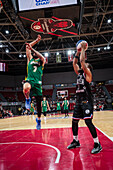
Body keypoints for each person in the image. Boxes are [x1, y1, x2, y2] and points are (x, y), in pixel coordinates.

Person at [67, 42, 102, 154]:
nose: (84, 65)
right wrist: (77, 52)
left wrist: (83, 49)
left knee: (88, 122)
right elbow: (74, 63)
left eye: (85, 65)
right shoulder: (79, 73)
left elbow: (82, 62)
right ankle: (76, 141)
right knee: (74, 121)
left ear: (88, 68)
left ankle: (97, 143)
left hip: (86, 101)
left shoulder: (88, 74)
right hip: (78, 101)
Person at [23, 35, 45, 130]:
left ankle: (39, 120)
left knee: (39, 105)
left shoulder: (41, 62)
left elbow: (43, 57)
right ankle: (27, 99)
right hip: (30, 81)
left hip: (38, 84)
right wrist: (36, 40)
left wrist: (33, 49)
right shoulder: (30, 60)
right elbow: (27, 47)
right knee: (26, 87)